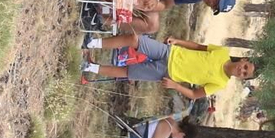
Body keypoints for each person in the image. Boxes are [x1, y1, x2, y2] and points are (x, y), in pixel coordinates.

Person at [81, 30, 255, 101]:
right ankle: (92, 43)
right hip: (169, 52)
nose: (242, 70)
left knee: (126, 71)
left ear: (241, 78)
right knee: (134, 40)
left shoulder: (221, 83)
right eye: (245, 66)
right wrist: (178, 41)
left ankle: (88, 67)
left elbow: (194, 94)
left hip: (166, 73)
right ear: (243, 60)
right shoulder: (223, 52)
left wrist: (175, 86)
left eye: (245, 74)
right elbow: (198, 47)